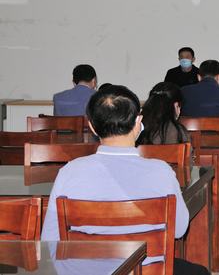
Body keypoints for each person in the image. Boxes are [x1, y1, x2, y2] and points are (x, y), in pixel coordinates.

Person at [41, 85, 207, 275]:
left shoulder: (69, 172)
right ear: (138, 122)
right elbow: (179, 229)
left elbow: (50, 240)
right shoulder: (162, 171)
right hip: (147, 270)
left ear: (92, 126)